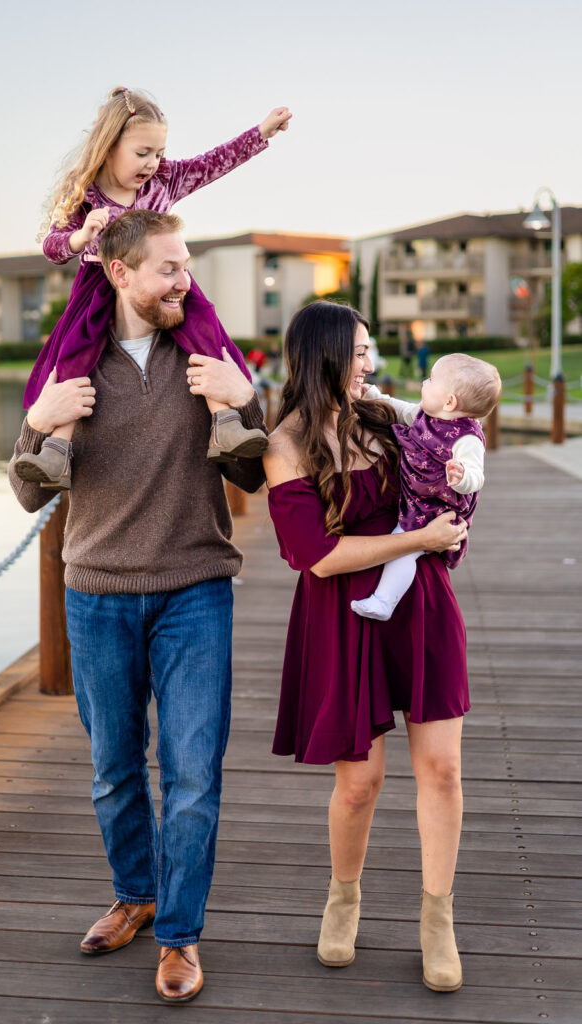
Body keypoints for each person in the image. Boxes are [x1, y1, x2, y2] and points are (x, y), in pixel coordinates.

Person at [9, 210, 267, 1003]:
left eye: (186, 265)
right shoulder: (73, 369)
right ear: (118, 273)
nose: (183, 280)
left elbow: (254, 479)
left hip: (195, 591)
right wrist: (41, 424)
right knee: (114, 770)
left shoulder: (207, 360)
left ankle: (179, 937)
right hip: (97, 596)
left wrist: (245, 401)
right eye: (168, 268)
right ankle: (136, 893)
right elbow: (27, 493)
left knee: (191, 775)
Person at [263, 301, 470, 993]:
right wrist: (419, 540)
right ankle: (342, 899)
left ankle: (436, 919)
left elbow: (443, 471)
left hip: (422, 606)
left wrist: (454, 514)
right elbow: (316, 557)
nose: (369, 363)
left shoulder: (381, 419)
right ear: (322, 356)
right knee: (359, 784)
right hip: (343, 614)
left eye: (369, 350)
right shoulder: (286, 443)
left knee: (440, 770)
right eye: (357, 352)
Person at [14, 86, 291, 487]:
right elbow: (52, 247)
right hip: (99, 283)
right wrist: (81, 237)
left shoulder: (164, 180)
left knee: (206, 333)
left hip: (162, 279)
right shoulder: (86, 195)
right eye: (142, 153)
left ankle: (226, 422)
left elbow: (213, 163)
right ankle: (57, 449)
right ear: (109, 147)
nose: (153, 163)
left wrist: (260, 133)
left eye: (158, 152)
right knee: (75, 357)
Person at [350, 353, 501, 621]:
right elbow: (395, 407)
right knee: (404, 544)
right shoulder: (424, 416)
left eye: (431, 379)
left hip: (435, 510)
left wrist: (462, 475)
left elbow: (477, 475)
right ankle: (384, 599)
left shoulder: (467, 438)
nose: (424, 381)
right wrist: (371, 393)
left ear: (449, 401)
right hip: (417, 496)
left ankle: (384, 601)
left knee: (404, 545)